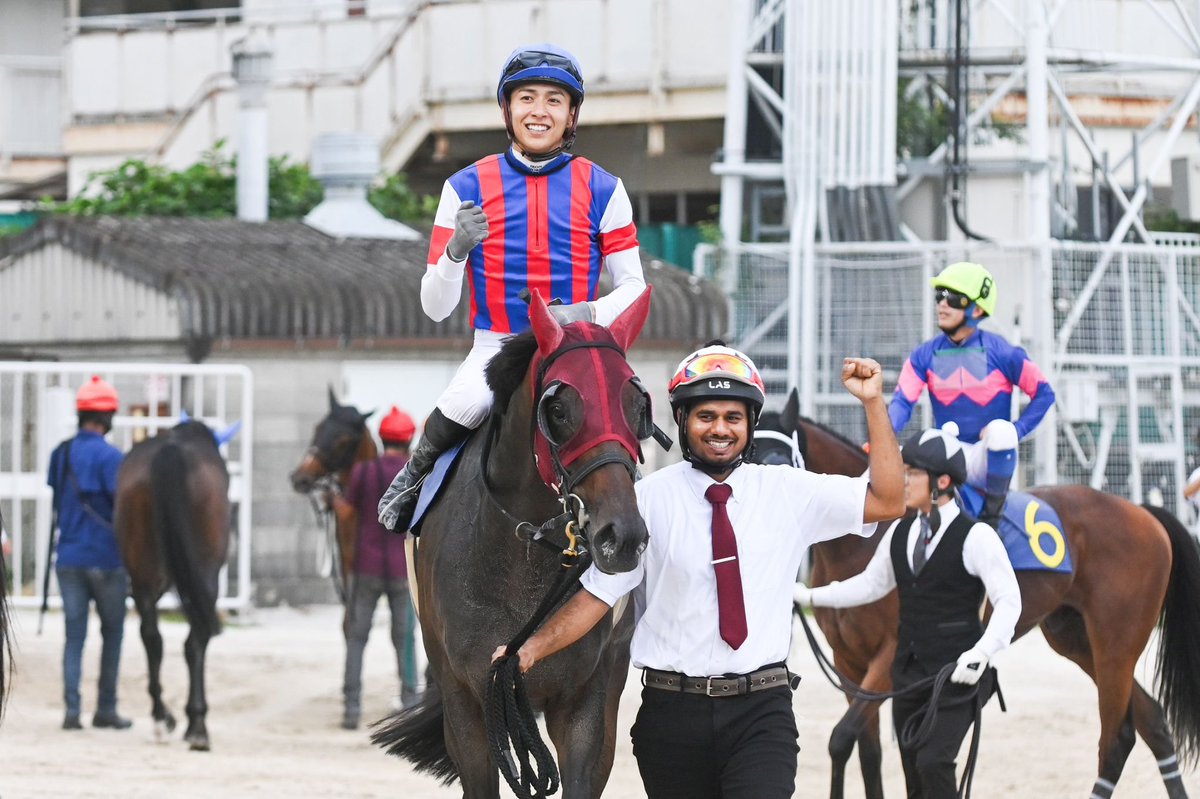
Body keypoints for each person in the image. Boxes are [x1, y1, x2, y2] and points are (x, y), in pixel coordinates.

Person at [493, 343, 905, 799]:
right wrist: (529, 650)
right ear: (683, 422)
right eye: (705, 416)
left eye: (733, 417)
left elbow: (889, 499)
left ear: (750, 423)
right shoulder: (646, 501)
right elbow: (597, 596)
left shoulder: (791, 491)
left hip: (762, 711)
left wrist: (873, 403)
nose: (720, 429)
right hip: (671, 716)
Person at [378, 43, 646, 534]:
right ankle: (414, 476)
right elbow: (435, 308)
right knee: (464, 403)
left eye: (553, 100)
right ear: (507, 109)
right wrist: (456, 250)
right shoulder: (463, 187)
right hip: (496, 346)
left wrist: (579, 314)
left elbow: (634, 288)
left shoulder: (606, 188)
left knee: (625, 411)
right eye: (526, 98)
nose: (538, 111)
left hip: (574, 345)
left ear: (571, 116)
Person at [794, 425, 1022, 799]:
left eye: (911, 473)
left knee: (935, 763)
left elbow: (1009, 602)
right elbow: (870, 585)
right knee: (914, 773)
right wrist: (809, 596)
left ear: (942, 482)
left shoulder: (977, 537)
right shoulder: (900, 533)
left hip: (956, 677)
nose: (901, 480)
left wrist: (982, 653)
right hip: (908, 677)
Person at [888, 261, 1055, 528]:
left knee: (1002, 432)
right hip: (947, 452)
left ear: (977, 309)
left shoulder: (1003, 352)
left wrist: (1018, 429)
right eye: (939, 296)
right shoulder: (923, 355)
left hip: (985, 459)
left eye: (953, 298)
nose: (942, 304)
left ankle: (992, 517)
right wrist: (884, 436)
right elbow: (902, 402)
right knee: (908, 446)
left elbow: (1044, 394)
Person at [330, 406, 422, 730]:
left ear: (382, 440)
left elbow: (345, 514)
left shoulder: (363, 472)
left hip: (365, 568)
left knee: (356, 638)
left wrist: (332, 498)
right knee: (406, 638)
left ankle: (351, 709)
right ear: (409, 439)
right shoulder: (415, 473)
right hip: (402, 569)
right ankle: (410, 701)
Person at [47, 376, 130, 731]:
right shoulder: (113, 458)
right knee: (112, 633)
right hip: (107, 558)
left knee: (74, 636)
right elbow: (121, 506)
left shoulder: (60, 453)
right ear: (107, 416)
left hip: (68, 558)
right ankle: (105, 708)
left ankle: (71, 711)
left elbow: (56, 496)